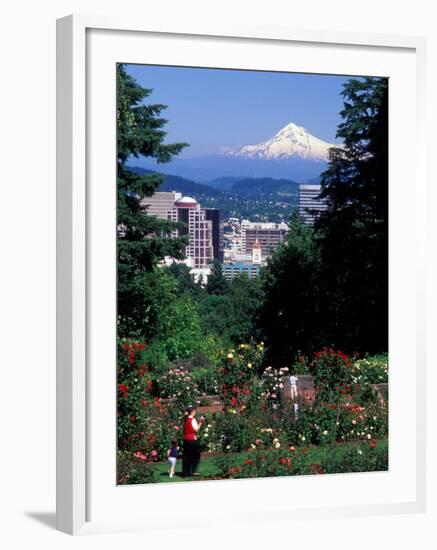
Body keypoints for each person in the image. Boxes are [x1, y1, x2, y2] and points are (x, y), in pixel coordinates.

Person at [182, 406, 205, 478]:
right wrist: (201, 422)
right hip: (192, 440)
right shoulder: (193, 419)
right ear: (192, 412)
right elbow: (196, 430)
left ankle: (186, 473)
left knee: (186, 456)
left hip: (185, 440)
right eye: (194, 411)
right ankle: (193, 471)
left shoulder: (185, 419)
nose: (195, 413)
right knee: (196, 455)